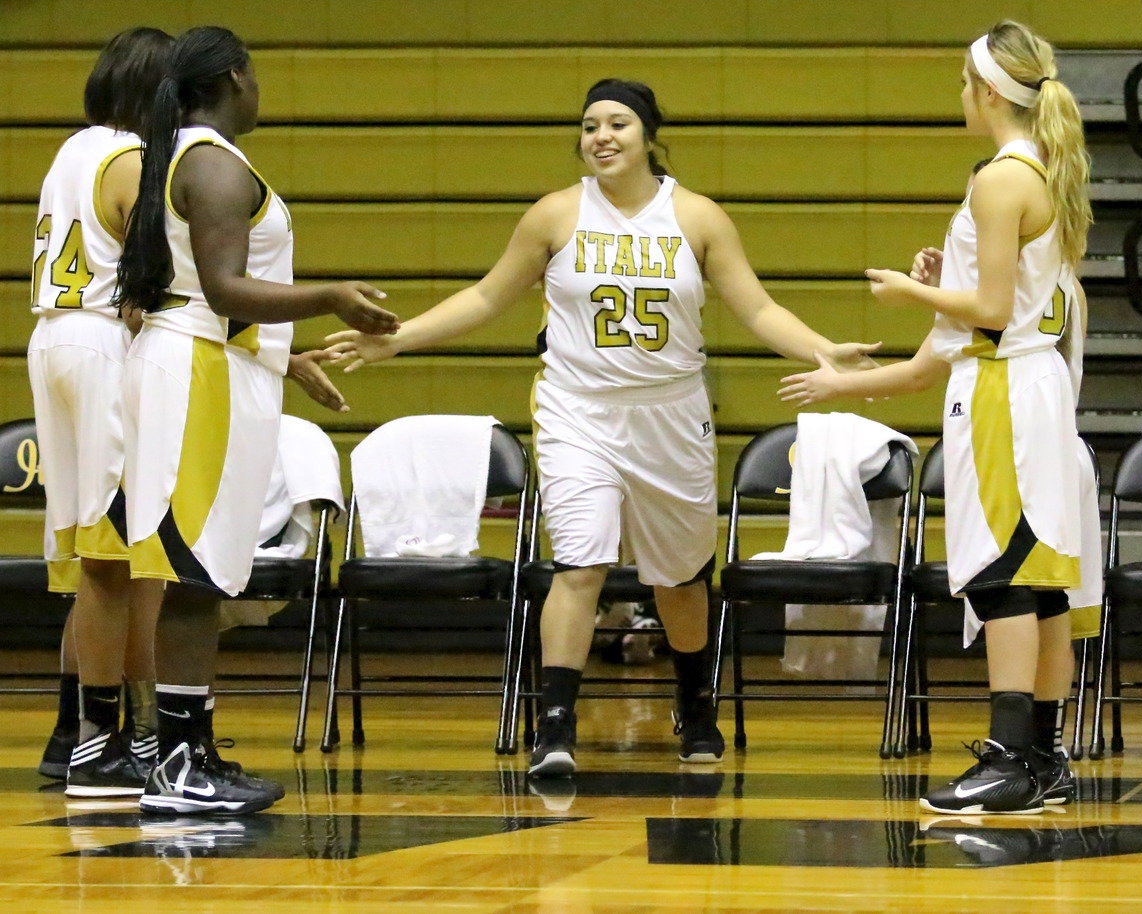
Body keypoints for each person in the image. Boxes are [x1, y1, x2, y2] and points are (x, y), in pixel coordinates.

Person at [325, 78, 879, 777]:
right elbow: (488, 295)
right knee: (580, 563)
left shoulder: (699, 217)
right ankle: (555, 724)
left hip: (671, 415)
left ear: (649, 135)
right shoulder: (555, 215)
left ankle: (693, 702)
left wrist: (821, 349)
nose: (602, 137)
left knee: (680, 581)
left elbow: (758, 308)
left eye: (618, 123)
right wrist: (396, 338)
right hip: (577, 411)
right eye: (590, 126)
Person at [780, 20, 1091, 814]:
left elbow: (986, 309)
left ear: (989, 91)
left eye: (963, 83)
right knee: (1043, 583)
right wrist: (847, 379)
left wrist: (912, 290)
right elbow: (989, 306)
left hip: (1002, 393)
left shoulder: (999, 178)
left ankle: (1011, 760)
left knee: (1004, 579)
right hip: (1029, 387)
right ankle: (1044, 757)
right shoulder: (1042, 169)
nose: (960, 96)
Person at [116, 26, 397, 815]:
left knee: (203, 573)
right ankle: (176, 764)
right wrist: (332, 297)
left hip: (215, 367)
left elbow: (209, 298)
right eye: (256, 75)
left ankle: (191, 749)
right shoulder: (210, 163)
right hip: (195, 377)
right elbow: (225, 287)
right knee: (192, 573)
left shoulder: (197, 157)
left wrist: (285, 357)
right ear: (235, 77)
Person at [28, 27, 175, 796]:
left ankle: (68, 733)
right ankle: (105, 739)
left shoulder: (72, 149)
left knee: (98, 553)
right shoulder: (132, 160)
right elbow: (160, 266)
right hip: (102, 342)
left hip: (53, 338)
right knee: (117, 556)